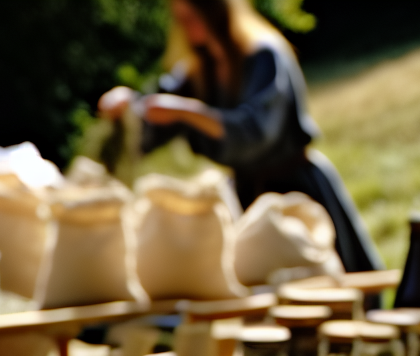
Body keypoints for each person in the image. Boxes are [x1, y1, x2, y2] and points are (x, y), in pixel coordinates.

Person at [97, 0, 382, 274]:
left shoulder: (264, 56)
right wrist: (129, 105)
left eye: (191, 16)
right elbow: (157, 114)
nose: (186, 26)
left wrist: (189, 112)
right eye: (180, 19)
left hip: (296, 191)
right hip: (246, 198)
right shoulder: (199, 70)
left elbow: (255, 130)